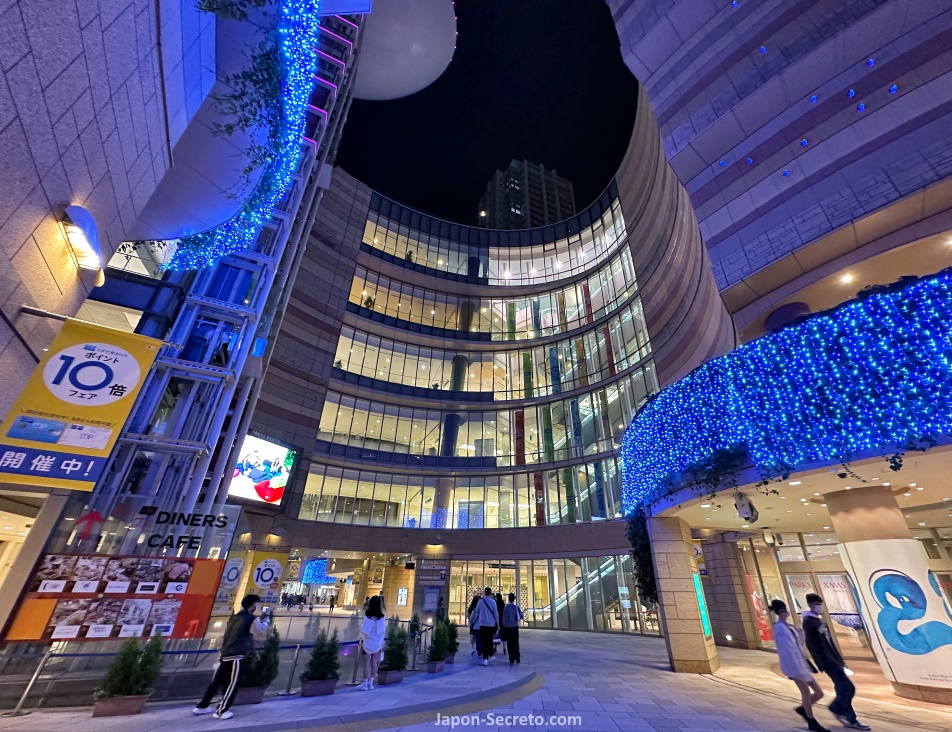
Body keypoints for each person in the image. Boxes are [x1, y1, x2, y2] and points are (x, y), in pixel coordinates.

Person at [194, 594, 270, 720]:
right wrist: (266, 619)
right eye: (256, 605)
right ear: (253, 605)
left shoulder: (234, 617)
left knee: (217, 682)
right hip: (236, 654)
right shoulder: (250, 618)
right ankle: (222, 710)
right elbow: (259, 632)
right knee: (232, 683)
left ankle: (202, 706)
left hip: (225, 652)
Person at [802, 594, 871, 730]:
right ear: (810, 604)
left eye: (820, 603)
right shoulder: (809, 622)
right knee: (846, 688)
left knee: (845, 688)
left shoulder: (819, 620)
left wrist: (839, 660)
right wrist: (821, 662)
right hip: (828, 662)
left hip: (834, 660)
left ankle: (837, 708)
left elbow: (829, 642)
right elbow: (812, 644)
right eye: (816, 604)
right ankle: (849, 717)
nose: (819, 606)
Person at [770, 599, 828, 732]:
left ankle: (804, 709)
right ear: (781, 611)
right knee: (806, 693)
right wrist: (794, 670)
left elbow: (798, 645)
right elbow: (786, 651)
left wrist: (801, 634)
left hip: (801, 664)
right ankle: (811, 721)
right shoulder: (780, 628)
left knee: (818, 693)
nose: (787, 611)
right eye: (785, 608)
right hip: (794, 666)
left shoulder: (789, 626)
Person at [358, 596, 387, 690]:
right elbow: (382, 631)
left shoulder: (367, 615)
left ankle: (365, 683)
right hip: (377, 643)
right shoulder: (382, 617)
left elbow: (364, 629)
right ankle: (371, 683)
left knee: (366, 662)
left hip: (368, 642)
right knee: (374, 662)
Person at [470, 587, 500, 666]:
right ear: (490, 593)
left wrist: (471, 621)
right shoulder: (493, 602)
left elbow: (476, 611)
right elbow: (496, 614)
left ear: (484, 592)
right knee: (489, 640)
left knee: (484, 641)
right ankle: (491, 655)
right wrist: (498, 624)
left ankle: (485, 658)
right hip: (491, 624)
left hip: (482, 624)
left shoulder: (480, 602)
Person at [502, 593, 524, 664]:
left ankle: (511, 658)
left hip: (508, 628)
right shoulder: (516, 607)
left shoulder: (506, 608)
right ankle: (517, 657)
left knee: (509, 643)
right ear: (514, 599)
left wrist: (504, 625)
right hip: (514, 627)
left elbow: (504, 619)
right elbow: (521, 616)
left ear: (508, 599)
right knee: (515, 643)